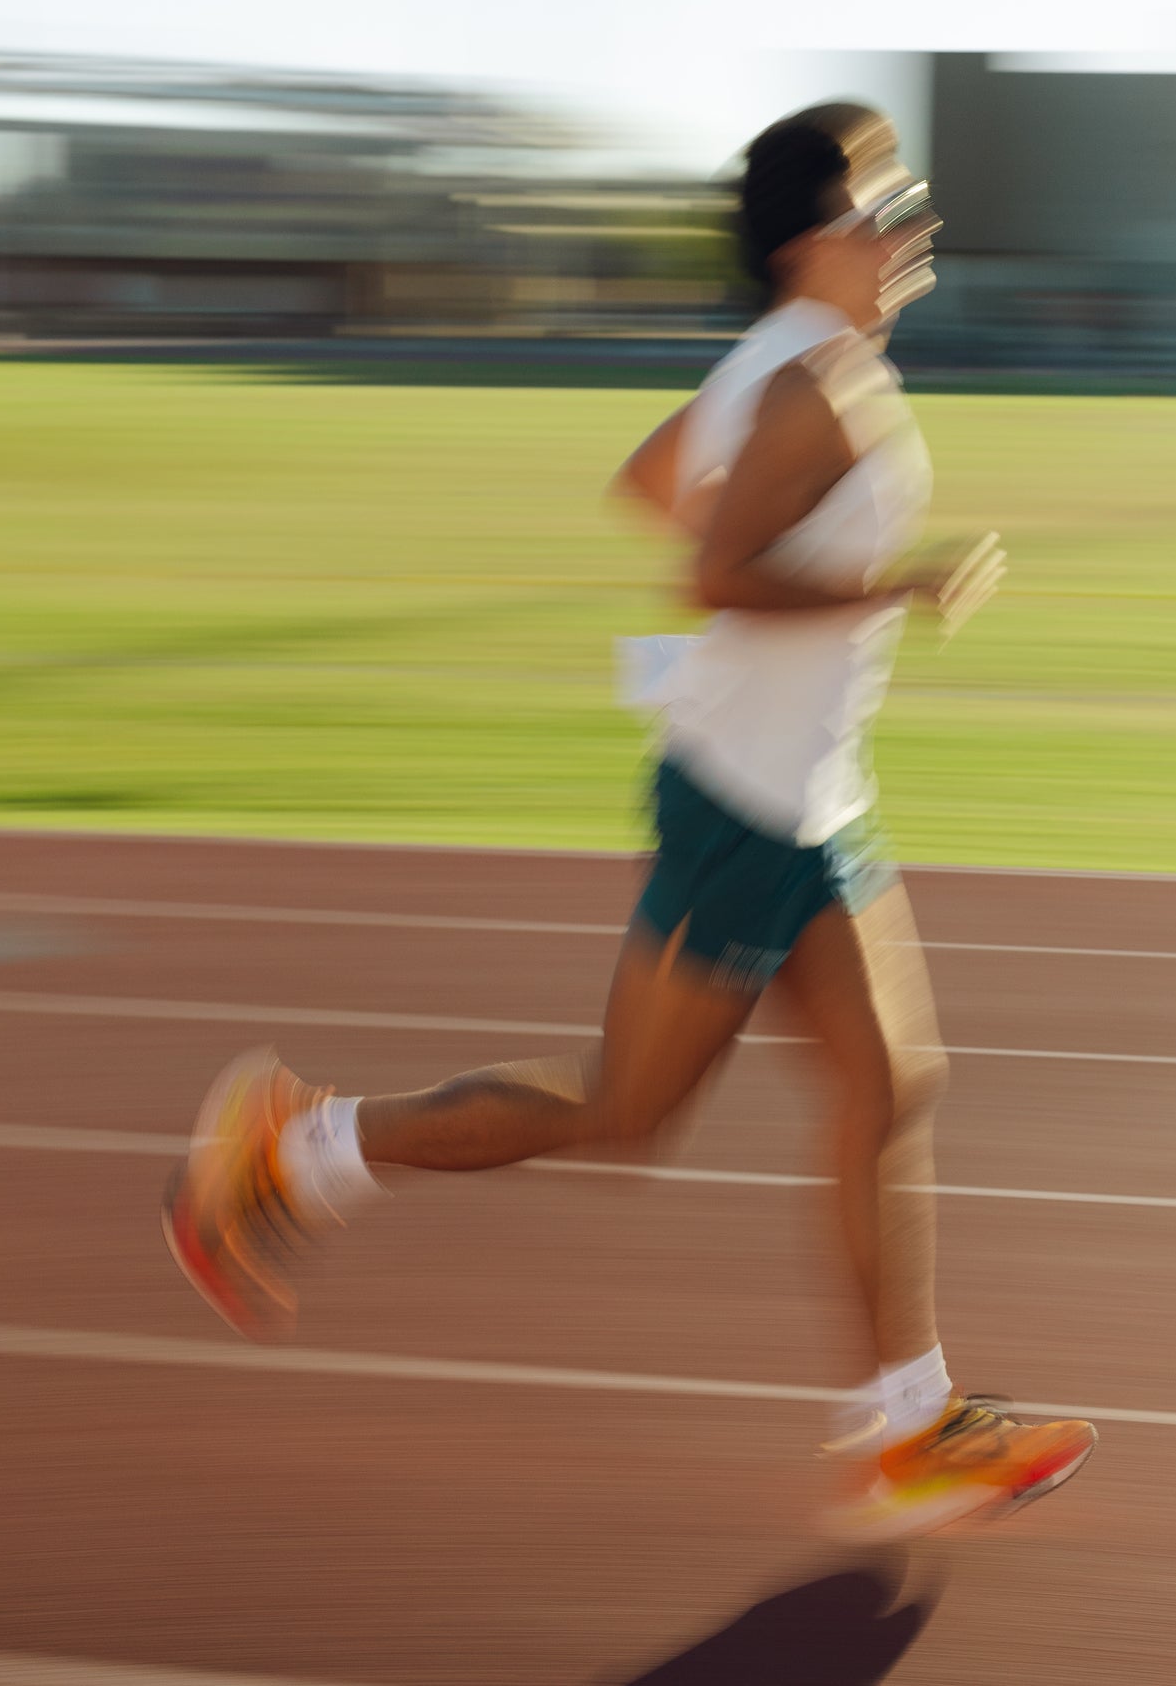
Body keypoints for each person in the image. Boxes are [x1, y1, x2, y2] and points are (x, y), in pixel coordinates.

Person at [162, 102, 1095, 1538]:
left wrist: (772, 609)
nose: (909, 219)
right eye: (878, 201)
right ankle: (293, 1147)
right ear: (804, 241)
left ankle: (909, 1428)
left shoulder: (797, 364)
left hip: (807, 795)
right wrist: (891, 588)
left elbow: (655, 479)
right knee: (626, 1108)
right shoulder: (814, 388)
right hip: (745, 808)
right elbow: (712, 571)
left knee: (894, 1080)